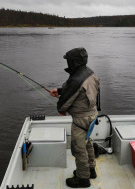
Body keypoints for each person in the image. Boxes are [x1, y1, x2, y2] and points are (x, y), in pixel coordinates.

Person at [50, 47, 99, 188]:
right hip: (92, 115)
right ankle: (91, 170)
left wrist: (61, 108)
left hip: (81, 120)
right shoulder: (90, 73)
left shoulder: (77, 78)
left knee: (79, 148)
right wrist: (59, 91)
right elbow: (79, 91)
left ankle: (83, 178)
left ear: (74, 62)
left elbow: (64, 103)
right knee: (88, 141)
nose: (67, 63)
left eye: (69, 60)